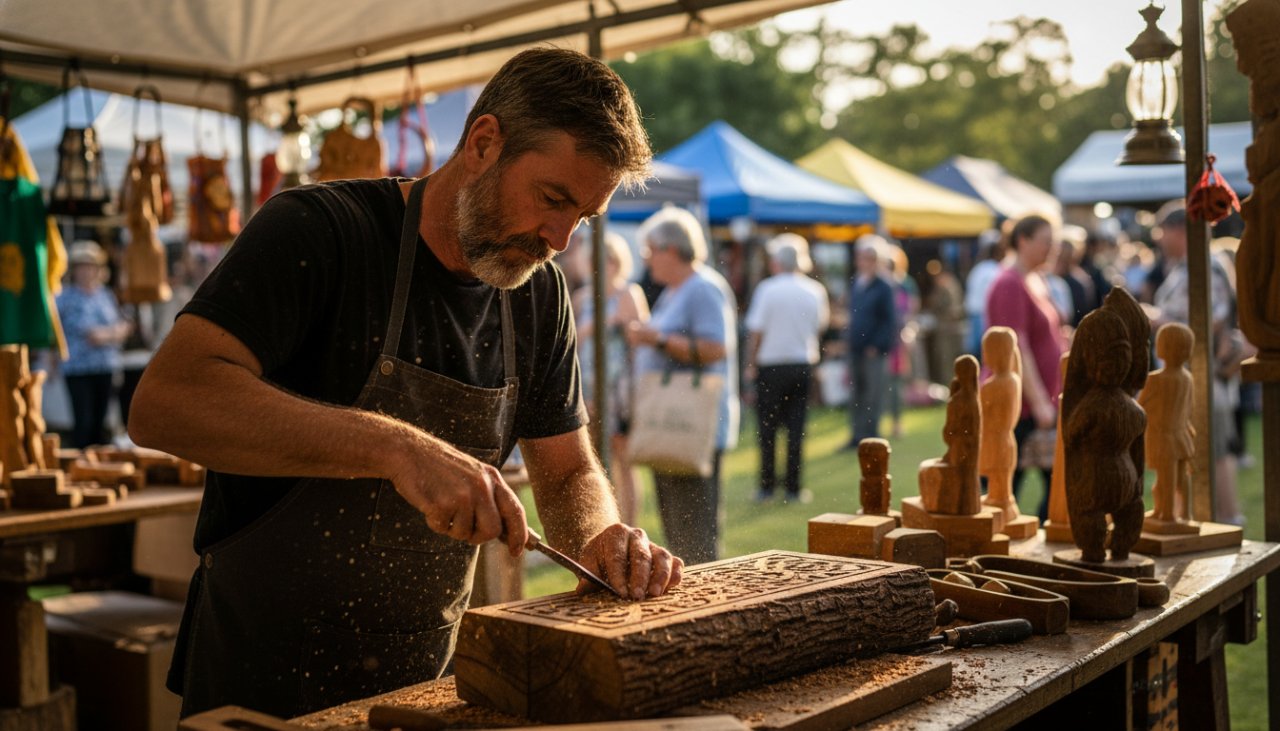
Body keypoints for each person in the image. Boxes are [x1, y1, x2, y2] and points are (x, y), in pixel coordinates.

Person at [127, 49, 683, 719]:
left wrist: (600, 535)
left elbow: (565, 476)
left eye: (584, 217)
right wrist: (398, 450)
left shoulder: (538, 296)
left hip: (423, 694)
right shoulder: (320, 232)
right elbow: (165, 403)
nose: (560, 239)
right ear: (483, 143)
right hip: (260, 689)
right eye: (553, 199)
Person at [626, 207, 738, 564]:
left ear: (671, 249)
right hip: (673, 423)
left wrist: (656, 339)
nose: (647, 260)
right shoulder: (676, 291)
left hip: (692, 425)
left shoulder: (703, 288)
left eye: (650, 251)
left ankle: (706, 607)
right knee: (678, 529)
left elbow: (716, 348)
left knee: (695, 531)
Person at [1145, 201, 1244, 525]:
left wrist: (1158, 319)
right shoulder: (1190, 265)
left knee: (1214, 453)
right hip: (1193, 376)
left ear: (1178, 231)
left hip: (1205, 377)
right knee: (1203, 452)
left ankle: (1228, 521)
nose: (1159, 240)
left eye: (1162, 232)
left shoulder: (1205, 265)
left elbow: (1210, 317)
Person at [985, 215, 1068, 521]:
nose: (1053, 248)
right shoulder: (1009, 283)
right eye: (1047, 241)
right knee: (1000, 485)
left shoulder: (1035, 279)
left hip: (1037, 403)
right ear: (1023, 240)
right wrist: (1038, 402)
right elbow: (1016, 346)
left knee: (1058, 482)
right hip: (1018, 407)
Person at [744, 233, 829, 503]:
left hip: (771, 365)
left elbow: (756, 331)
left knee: (768, 429)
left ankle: (767, 486)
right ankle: (793, 487)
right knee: (796, 427)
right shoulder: (815, 290)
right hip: (802, 363)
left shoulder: (767, 289)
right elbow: (821, 326)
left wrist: (750, 363)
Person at [572, 230, 649, 525]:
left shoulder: (628, 293)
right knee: (594, 457)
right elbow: (574, 342)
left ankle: (629, 524)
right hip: (589, 383)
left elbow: (639, 337)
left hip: (619, 387)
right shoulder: (582, 298)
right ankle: (602, 522)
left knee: (623, 458)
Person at [56, 240, 130, 448]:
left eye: (90, 266)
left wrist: (110, 334)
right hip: (78, 368)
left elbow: (124, 326)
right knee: (84, 422)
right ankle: (80, 467)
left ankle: (97, 468)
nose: (86, 271)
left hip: (105, 366)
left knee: (101, 423)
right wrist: (112, 333)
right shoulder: (65, 297)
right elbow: (90, 333)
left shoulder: (106, 295)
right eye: (81, 266)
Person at [844, 237, 897, 448]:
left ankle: (871, 436)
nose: (865, 262)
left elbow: (890, 320)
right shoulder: (857, 282)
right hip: (856, 347)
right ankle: (856, 435)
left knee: (872, 395)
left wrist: (878, 344)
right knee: (856, 393)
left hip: (874, 350)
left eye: (869, 258)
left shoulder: (884, 285)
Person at [964, 228, 1006, 355]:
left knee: (978, 352)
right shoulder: (996, 270)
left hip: (975, 313)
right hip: (984, 314)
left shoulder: (978, 269)